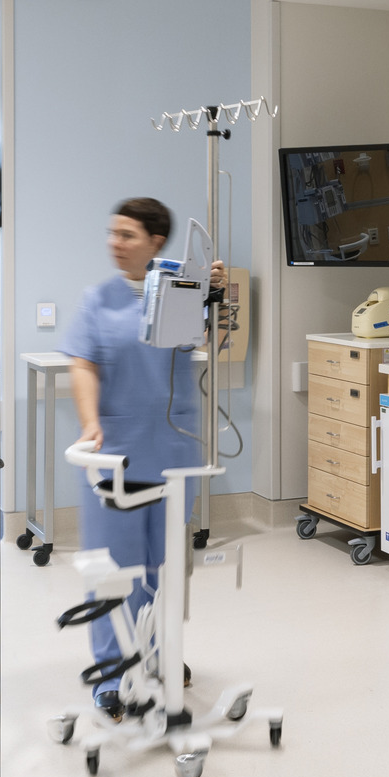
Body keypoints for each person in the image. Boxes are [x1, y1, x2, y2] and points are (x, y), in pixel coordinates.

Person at [60, 197, 226, 701]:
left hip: (174, 452)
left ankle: (160, 653)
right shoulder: (98, 299)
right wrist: (90, 425)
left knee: (166, 566)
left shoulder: (181, 287)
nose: (115, 243)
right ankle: (112, 675)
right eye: (112, 233)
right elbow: (83, 363)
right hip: (116, 453)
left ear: (156, 242)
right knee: (116, 569)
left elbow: (212, 344)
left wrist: (214, 295)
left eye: (127, 235)